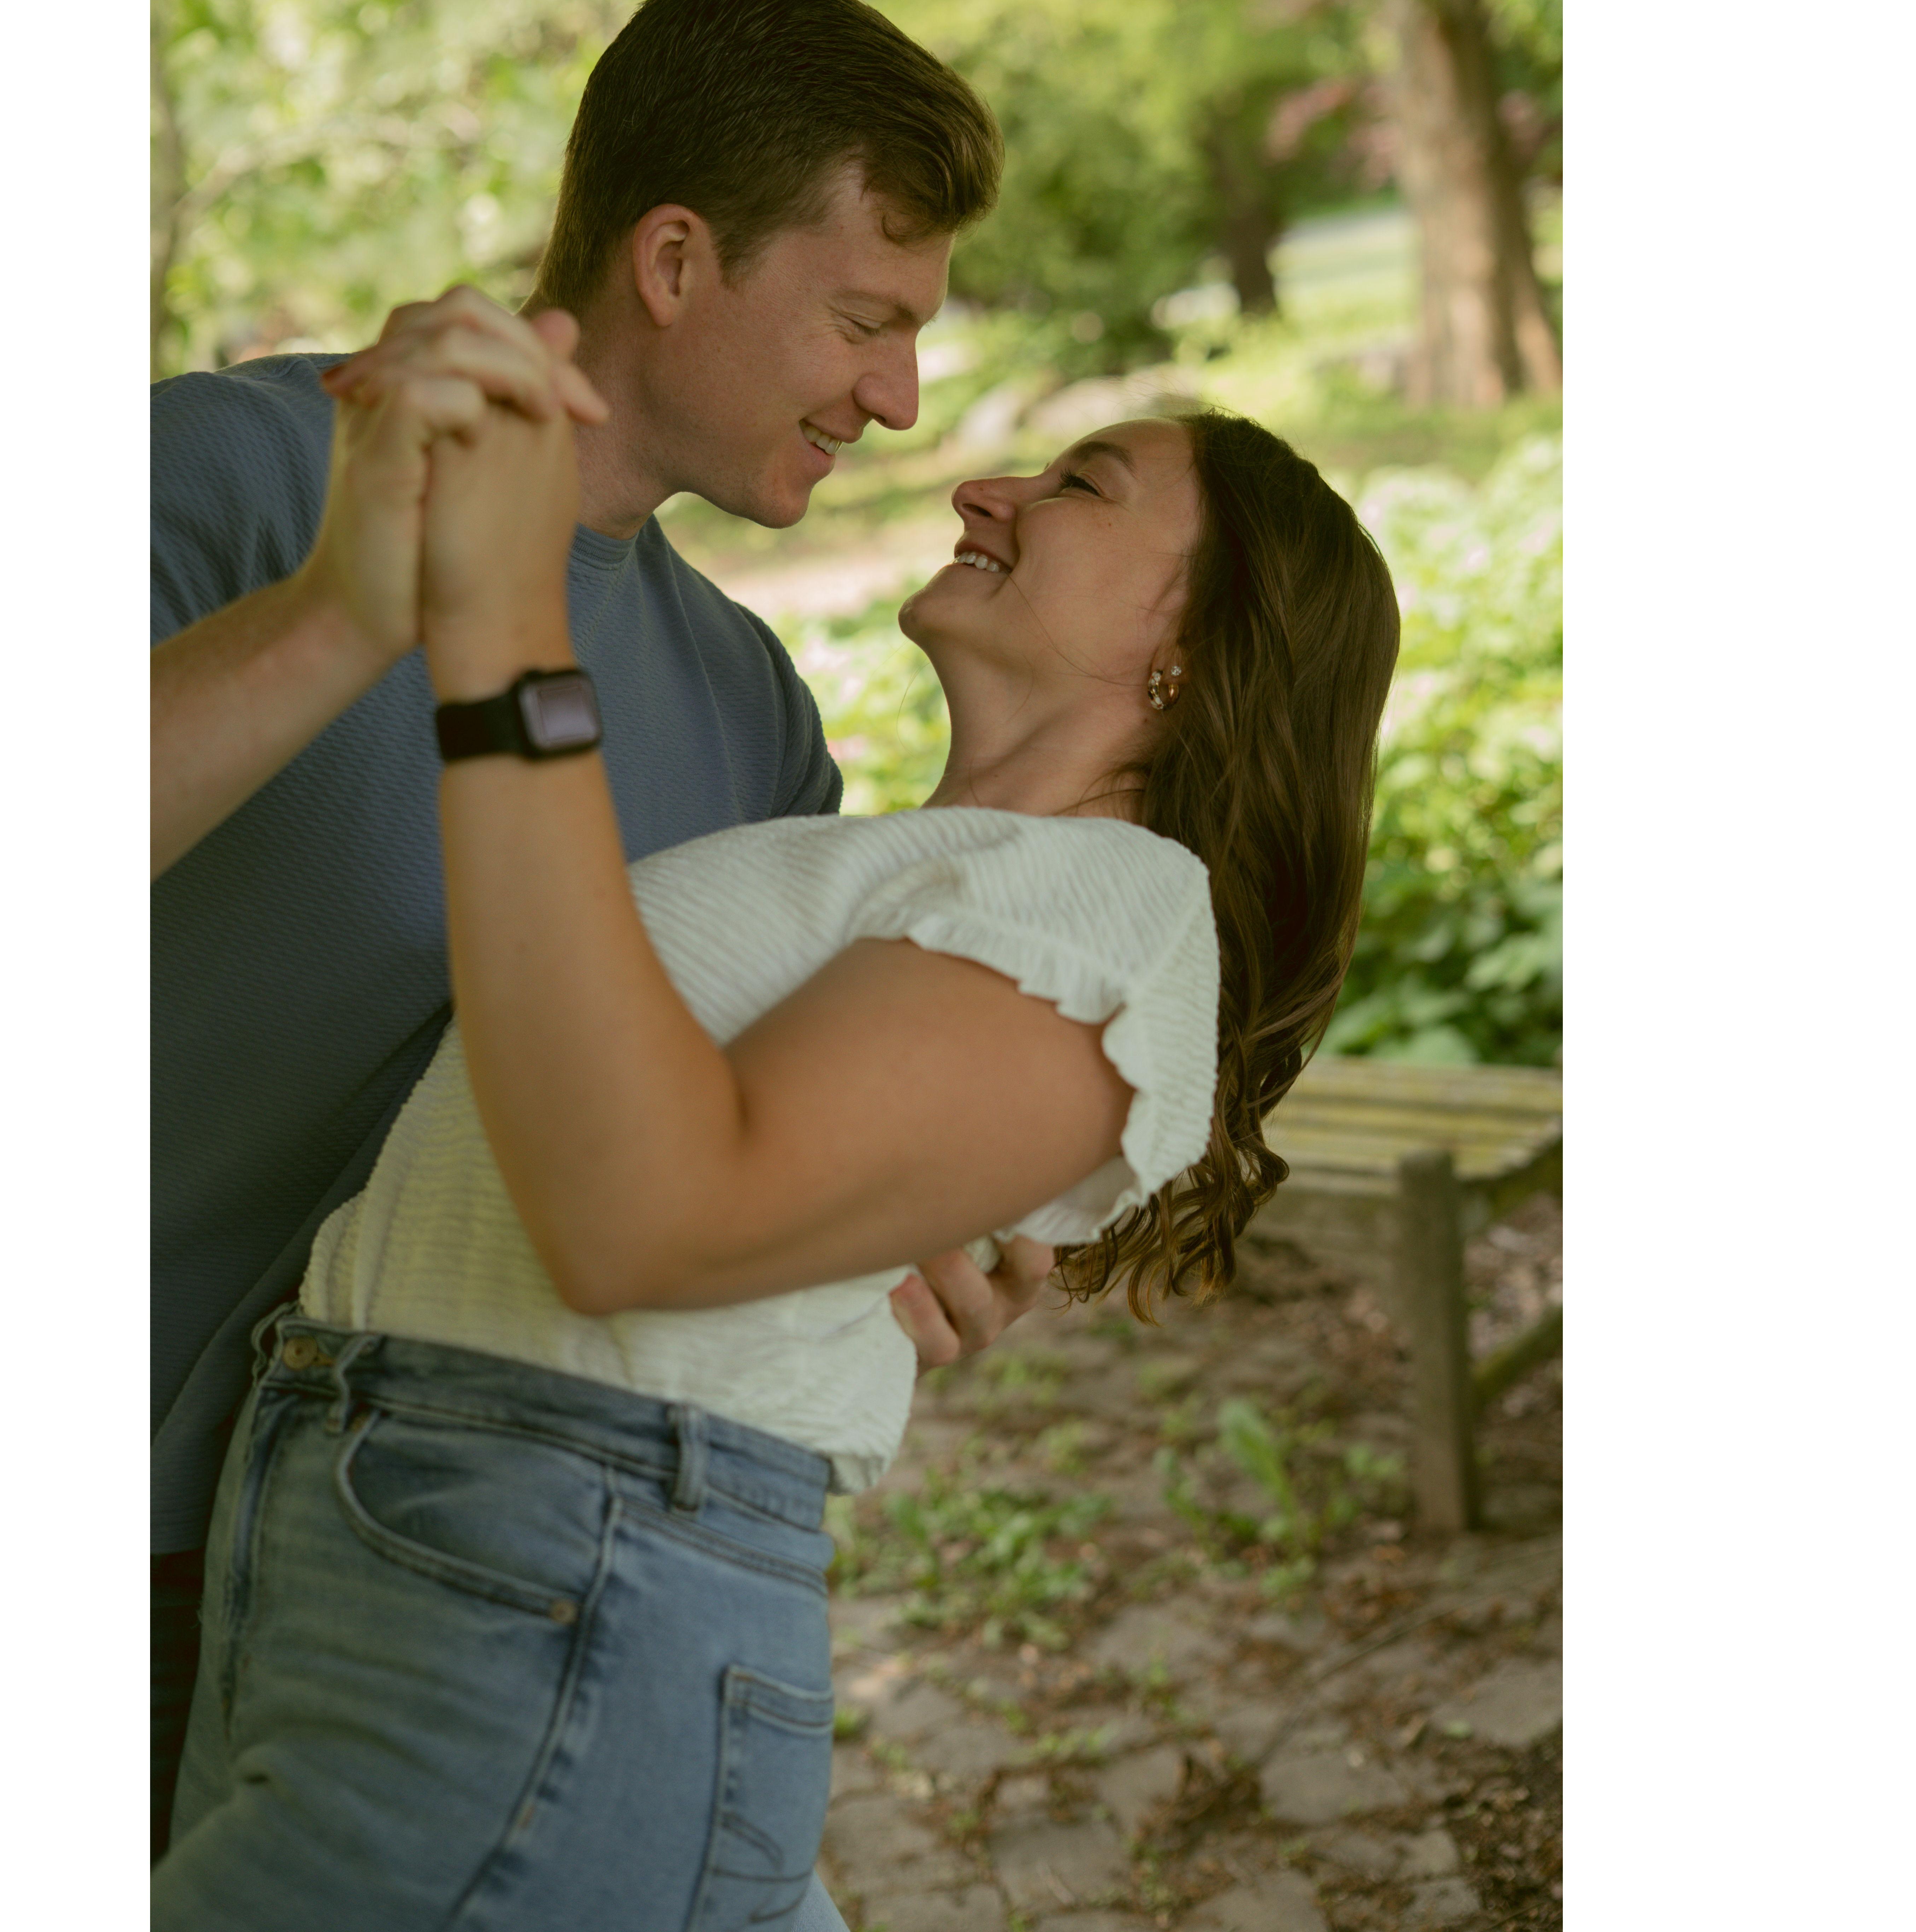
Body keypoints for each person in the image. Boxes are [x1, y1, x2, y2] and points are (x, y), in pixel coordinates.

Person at [151, 336, 1403, 1925]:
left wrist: (504, 633)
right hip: (385, 1559)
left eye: (1082, 485)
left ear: (1197, 644)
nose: (981, 484)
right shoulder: (881, 869)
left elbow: (647, 1222)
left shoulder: (1118, 913)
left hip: (536, 1584)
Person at [150, 0, 1049, 1907]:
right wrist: (343, 613)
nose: (899, 397)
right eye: (865, 320)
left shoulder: (752, 713)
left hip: (418, 1593)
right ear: (673, 261)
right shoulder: (239, 473)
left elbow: (699, 1155)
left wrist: (884, 1234)